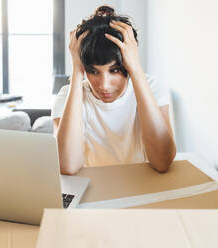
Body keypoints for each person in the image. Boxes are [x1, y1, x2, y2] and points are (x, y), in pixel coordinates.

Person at [52, 5, 176, 175]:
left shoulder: (153, 89)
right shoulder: (67, 96)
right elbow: (67, 166)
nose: (104, 85)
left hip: (144, 187)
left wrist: (136, 68)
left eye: (115, 70)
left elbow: (162, 162)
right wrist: (76, 70)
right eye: (94, 71)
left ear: (128, 62)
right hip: (95, 191)